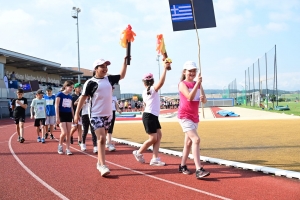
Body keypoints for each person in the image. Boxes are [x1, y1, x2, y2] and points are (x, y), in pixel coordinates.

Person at [74, 57, 128, 177]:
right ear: (96, 69)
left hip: (108, 114)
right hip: (95, 114)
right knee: (102, 139)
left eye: (106, 66)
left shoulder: (109, 79)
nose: (105, 69)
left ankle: (99, 162)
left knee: (102, 140)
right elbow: (83, 98)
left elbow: (122, 75)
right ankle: (103, 165)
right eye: (102, 67)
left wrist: (124, 62)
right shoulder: (90, 82)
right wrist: (77, 114)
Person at [132, 61, 170, 166]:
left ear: (144, 82)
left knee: (159, 135)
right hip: (149, 116)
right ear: (152, 81)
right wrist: (165, 69)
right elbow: (161, 83)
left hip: (152, 116)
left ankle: (155, 158)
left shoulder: (146, 91)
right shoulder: (152, 90)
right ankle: (138, 152)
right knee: (153, 138)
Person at [177, 61, 210, 179]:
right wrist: (198, 84)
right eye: (190, 71)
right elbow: (189, 97)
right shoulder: (182, 84)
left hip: (194, 117)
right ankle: (199, 169)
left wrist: (202, 98)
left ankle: (182, 166)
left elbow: (205, 100)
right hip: (184, 116)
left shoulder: (198, 84)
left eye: (194, 71)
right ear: (184, 72)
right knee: (196, 139)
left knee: (188, 142)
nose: (192, 73)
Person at [55, 80, 74, 155]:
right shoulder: (59, 94)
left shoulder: (70, 96)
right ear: (65, 86)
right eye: (70, 87)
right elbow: (56, 105)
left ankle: (68, 149)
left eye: (72, 88)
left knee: (69, 133)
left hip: (68, 114)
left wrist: (74, 116)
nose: (71, 89)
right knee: (64, 132)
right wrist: (57, 117)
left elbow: (71, 107)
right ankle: (60, 145)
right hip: (61, 114)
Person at [106, 86, 122, 152]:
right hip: (106, 113)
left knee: (110, 128)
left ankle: (109, 143)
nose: (112, 89)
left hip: (112, 112)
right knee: (105, 128)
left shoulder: (114, 97)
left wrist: (118, 109)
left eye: (113, 88)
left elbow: (116, 105)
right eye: (111, 88)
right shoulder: (105, 96)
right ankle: (106, 142)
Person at [70, 83, 83, 147]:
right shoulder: (72, 96)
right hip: (74, 113)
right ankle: (70, 135)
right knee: (75, 127)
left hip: (81, 113)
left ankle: (80, 141)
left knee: (80, 127)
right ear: (75, 88)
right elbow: (72, 106)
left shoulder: (82, 95)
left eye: (80, 87)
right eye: (78, 87)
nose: (80, 89)